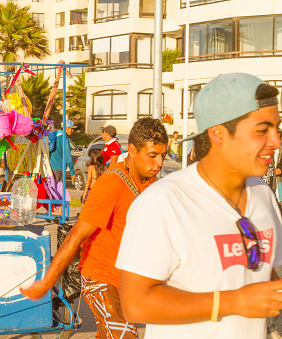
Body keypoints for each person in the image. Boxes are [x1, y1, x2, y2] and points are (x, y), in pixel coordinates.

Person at [116, 73, 282, 339]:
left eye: (277, 128)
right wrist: (232, 302)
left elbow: (263, 276)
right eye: (262, 130)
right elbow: (135, 304)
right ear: (218, 133)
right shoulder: (163, 202)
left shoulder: (263, 194)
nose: (275, 141)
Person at [21, 117, 168, 339]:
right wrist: (47, 282)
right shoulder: (112, 183)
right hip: (100, 277)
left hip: (128, 279)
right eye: (153, 155)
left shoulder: (150, 180)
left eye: (163, 155)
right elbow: (75, 236)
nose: (159, 163)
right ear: (133, 150)